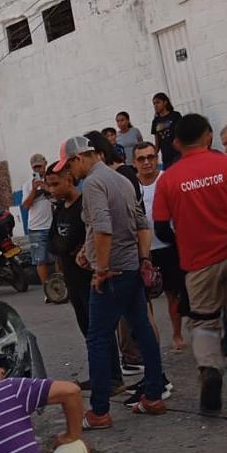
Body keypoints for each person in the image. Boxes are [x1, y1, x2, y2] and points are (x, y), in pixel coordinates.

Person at [153, 113, 227, 410]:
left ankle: (210, 370)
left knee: (203, 321)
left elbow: (162, 228)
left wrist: (185, 242)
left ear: (177, 143)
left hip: (198, 262)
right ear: (208, 136)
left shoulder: (169, 179)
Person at [66, 133, 168, 425]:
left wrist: (100, 269)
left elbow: (103, 228)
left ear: (79, 158)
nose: (71, 173)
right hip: (131, 267)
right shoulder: (122, 180)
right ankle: (153, 395)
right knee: (143, 329)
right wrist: (143, 260)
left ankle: (99, 411)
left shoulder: (94, 183)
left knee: (97, 338)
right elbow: (141, 225)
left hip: (111, 273)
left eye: (69, 167)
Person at [46, 160, 124, 390]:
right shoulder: (60, 208)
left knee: (100, 330)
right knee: (87, 329)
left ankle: (113, 378)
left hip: (88, 276)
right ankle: (100, 375)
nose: (52, 190)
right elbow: (52, 241)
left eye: (55, 184)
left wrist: (68, 247)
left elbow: (82, 237)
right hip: (71, 277)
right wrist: (65, 248)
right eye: (48, 186)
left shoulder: (84, 204)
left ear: (68, 179)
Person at [133, 141, 185, 353]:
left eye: (151, 157)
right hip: (143, 250)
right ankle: (152, 339)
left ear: (157, 158)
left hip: (168, 246)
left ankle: (177, 334)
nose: (147, 162)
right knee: (145, 299)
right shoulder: (131, 185)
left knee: (173, 293)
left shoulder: (168, 179)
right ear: (134, 162)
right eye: (141, 159)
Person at [22, 153, 54, 284]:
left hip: (52, 224)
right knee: (40, 260)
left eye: (40, 166)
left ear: (45, 163)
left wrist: (45, 186)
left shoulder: (52, 179)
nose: (38, 170)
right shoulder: (27, 185)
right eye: (35, 167)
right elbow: (25, 205)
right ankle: (47, 289)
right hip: (36, 228)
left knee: (58, 258)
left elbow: (58, 196)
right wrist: (34, 190)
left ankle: (61, 285)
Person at [150, 92, 181, 168]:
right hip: (166, 155)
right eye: (154, 104)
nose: (155, 105)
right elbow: (157, 140)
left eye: (158, 102)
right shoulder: (155, 121)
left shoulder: (175, 115)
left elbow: (182, 132)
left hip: (178, 152)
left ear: (165, 102)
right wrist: (154, 154)